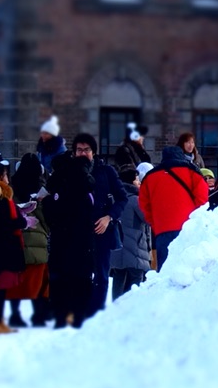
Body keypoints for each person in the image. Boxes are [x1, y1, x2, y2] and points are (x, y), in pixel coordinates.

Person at [73, 133, 128, 320]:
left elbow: (122, 198)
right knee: (79, 274)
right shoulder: (69, 173)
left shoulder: (106, 171)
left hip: (101, 230)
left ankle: (95, 316)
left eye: (86, 149)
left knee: (102, 275)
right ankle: (80, 312)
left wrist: (109, 217)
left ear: (93, 152)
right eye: (79, 150)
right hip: (77, 232)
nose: (83, 153)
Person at [42, 148, 98, 328]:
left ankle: (61, 316)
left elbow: (52, 215)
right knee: (81, 279)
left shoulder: (59, 186)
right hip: (83, 242)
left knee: (60, 279)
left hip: (61, 241)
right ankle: (79, 316)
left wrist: (49, 202)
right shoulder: (85, 186)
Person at [138, 142, 210, 271]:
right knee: (188, 270)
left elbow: (144, 204)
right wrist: (197, 220)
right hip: (188, 228)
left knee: (165, 270)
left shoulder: (150, 177)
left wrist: (154, 222)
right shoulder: (192, 172)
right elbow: (202, 199)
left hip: (162, 229)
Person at [0, 158, 27, 335]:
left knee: (1, 289)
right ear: (0, 176)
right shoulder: (0, 196)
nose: (8, 178)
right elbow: (7, 222)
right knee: (0, 288)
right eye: (6, 174)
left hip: (0, 248)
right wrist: (22, 221)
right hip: (3, 249)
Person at [10, 152, 50, 326]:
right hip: (38, 241)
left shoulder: (12, 188)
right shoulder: (42, 189)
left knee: (16, 281)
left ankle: (15, 315)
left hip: (17, 240)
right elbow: (47, 219)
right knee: (40, 281)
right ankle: (39, 315)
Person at [111, 162, 154, 299]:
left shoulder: (113, 199)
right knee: (136, 282)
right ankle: (130, 310)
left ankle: (115, 310)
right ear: (131, 181)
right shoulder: (136, 200)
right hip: (135, 248)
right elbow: (148, 219)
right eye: (136, 179)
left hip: (117, 247)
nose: (139, 182)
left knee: (119, 278)